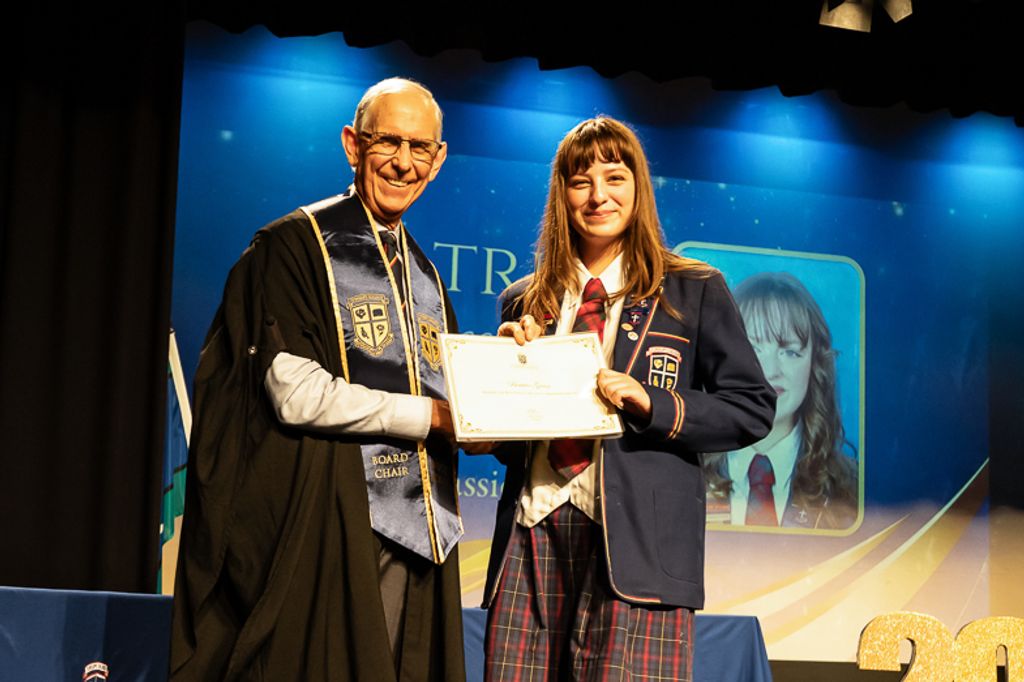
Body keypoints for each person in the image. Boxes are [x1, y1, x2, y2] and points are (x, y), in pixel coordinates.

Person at [169, 78, 466, 682]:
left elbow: (456, 401)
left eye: (420, 148)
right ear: (353, 144)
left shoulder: (426, 278)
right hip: (326, 520)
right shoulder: (293, 247)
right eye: (388, 142)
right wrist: (431, 417)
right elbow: (295, 394)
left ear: (437, 161)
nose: (403, 162)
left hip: (419, 530)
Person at [483, 116, 776, 680]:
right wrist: (502, 383)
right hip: (531, 531)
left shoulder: (692, 288)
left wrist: (653, 403)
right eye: (581, 182)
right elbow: (510, 436)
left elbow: (751, 407)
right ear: (562, 195)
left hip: (641, 546)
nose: (598, 196)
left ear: (638, 187)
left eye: (614, 178)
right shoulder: (525, 299)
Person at [704, 272, 858, 530]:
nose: (771, 371)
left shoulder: (853, 486)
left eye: (790, 352)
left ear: (815, 365)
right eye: (753, 349)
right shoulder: (682, 471)